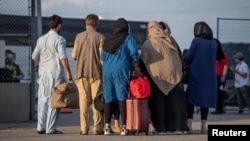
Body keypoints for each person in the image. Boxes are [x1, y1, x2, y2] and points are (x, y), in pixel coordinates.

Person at [139, 21, 186, 135]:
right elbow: (179, 55)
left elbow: (143, 61)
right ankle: (179, 127)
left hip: (158, 77)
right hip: (174, 75)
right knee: (176, 102)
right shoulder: (170, 39)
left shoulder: (148, 43)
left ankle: (161, 129)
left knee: (159, 103)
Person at [32, 14, 72, 134]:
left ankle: (40, 126)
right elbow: (63, 58)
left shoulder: (41, 39)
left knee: (43, 99)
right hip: (55, 72)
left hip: (43, 72)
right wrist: (68, 73)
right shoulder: (60, 40)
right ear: (59, 26)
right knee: (55, 99)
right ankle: (51, 128)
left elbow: (34, 56)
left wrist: (41, 64)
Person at [100, 18, 139, 136]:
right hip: (120, 70)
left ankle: (107, 127)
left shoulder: (108, 38)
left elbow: (102, 56)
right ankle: (123, 127)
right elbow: (134, 52)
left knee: (108, 98)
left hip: (106, 71)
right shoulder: (128, 38)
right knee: (122, 97)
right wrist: (135, 60)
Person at [184, 21, 222, 134]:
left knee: (190, 98)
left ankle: (189, 124)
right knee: (205, 99)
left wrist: (185, 54)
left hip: (197, 74)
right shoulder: (214, 42)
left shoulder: (196, 41)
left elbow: (189, 56)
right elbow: (220, 56)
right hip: (210, 76)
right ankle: (203, 126)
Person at [71, 14, 104, 135]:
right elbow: (102, 59)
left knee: (83, 101)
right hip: (96, 73)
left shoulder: (78, 37)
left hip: (81, 72)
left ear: (86, 23)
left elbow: (74, 55)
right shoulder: (100, 37)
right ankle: (97, 128)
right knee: (96, 100)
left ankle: (84, 128)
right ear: (96, 24)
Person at [211, 39, 229, 115]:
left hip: (220, 77)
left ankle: (219, 109)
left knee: (220, 93)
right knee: (217, 93)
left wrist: (223, 77)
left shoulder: (223, 56)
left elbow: (225, 66)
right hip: (215, 76)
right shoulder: (214, 55)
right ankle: (219, 108)